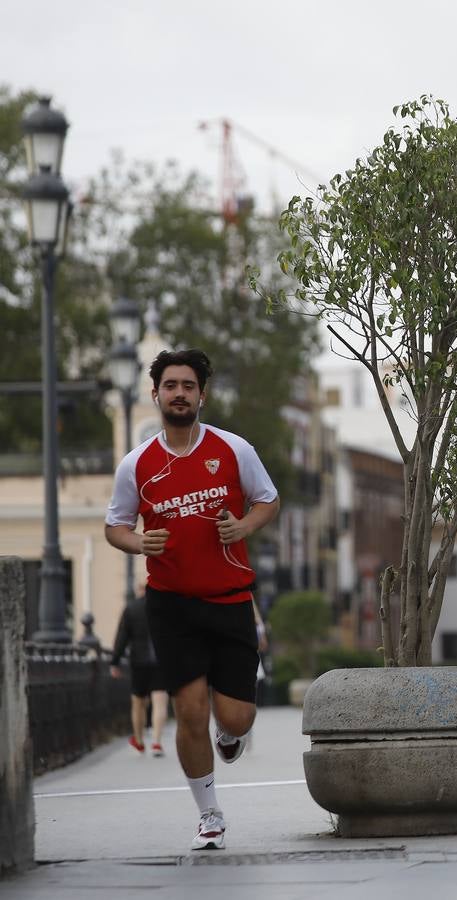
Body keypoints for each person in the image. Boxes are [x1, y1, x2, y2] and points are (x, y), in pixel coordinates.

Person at [104, 348, 280, 851]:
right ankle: (210, 817)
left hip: (228, 599)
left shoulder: (233, 450)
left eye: (188, 385)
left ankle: (230, 736)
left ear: (202, 394)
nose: (179, 393)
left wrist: (243, 525)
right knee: (189, 709)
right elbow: (115, 527)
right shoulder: (135, 464)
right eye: (170, 385)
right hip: (171, 603)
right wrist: (140, 542)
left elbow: (268, 499)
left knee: (235, 717)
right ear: (154, 393)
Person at [109, 590, 169, 757]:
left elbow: (122, 636)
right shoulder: (165, 606)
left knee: (138, 702)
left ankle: (139, 740)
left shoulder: (132, 608)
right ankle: (157, 742)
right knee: (160, 702)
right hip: (161, 661)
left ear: (141, 591)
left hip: (139, 662)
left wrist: (115, 661)